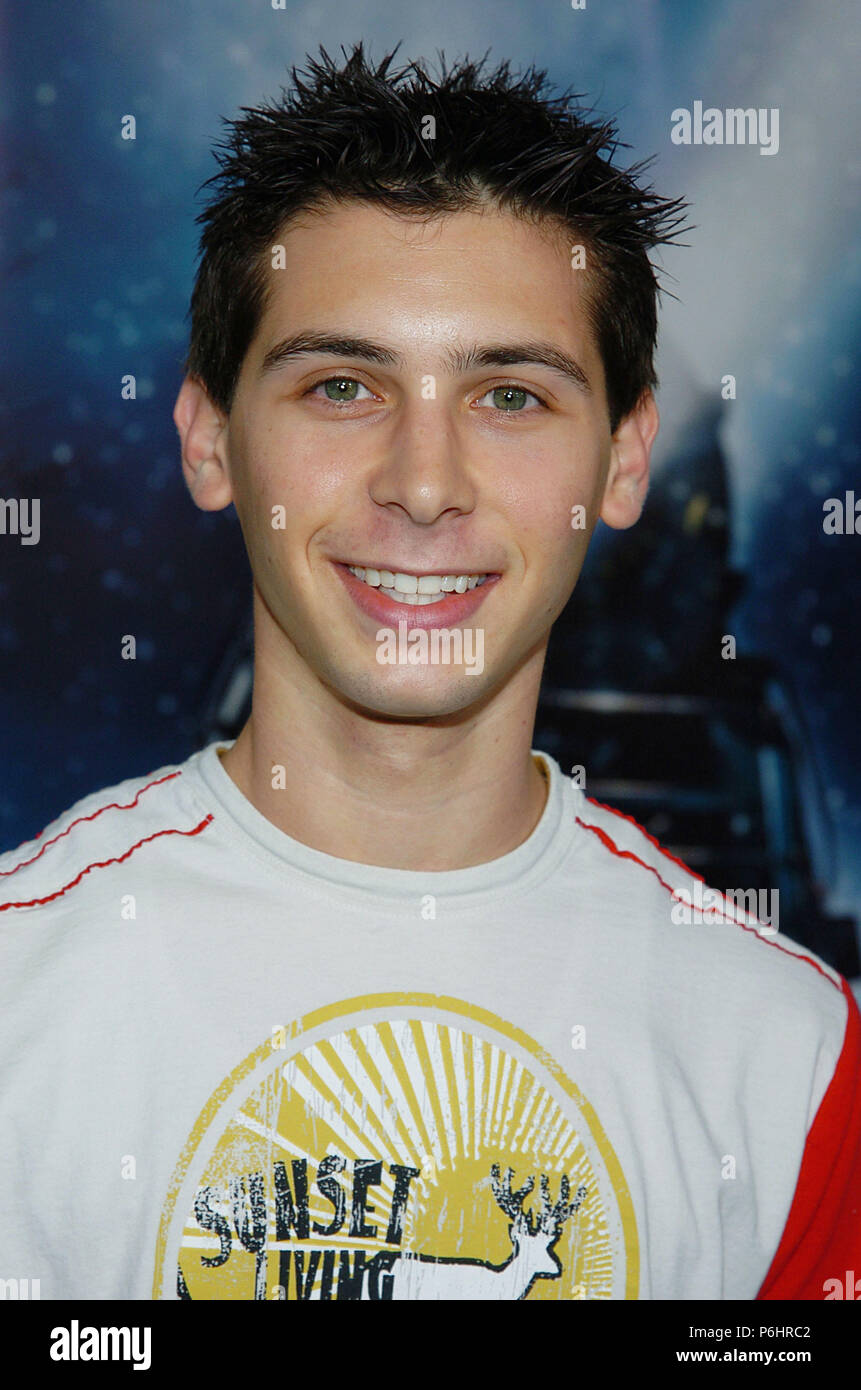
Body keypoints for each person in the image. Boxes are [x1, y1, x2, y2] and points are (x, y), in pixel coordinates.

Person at [1, 43, 858, 1303]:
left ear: (625, 464)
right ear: (207, 437)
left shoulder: (794, 1060)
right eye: (342, 385)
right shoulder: (20, 993)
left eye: (510, 395)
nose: (423, 481)